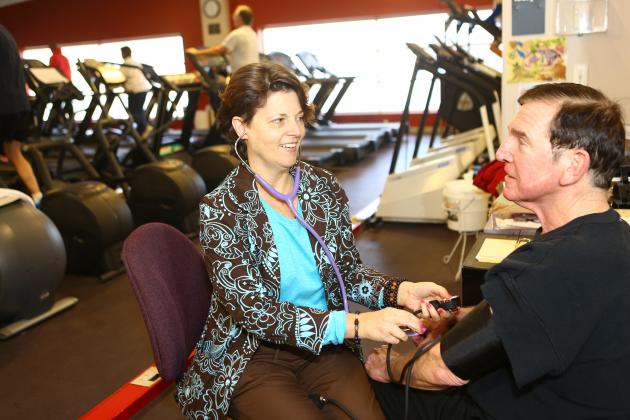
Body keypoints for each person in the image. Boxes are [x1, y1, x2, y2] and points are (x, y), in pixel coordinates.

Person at [175, 62, 453, 419]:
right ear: (242, 127)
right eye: (278, 120)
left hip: (324, 348)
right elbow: (254, 312)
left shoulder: (323, 188)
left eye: (298, 118)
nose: (295, 131)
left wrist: (401, 292)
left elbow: (348, 274)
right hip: (253, 355)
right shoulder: (221, 210)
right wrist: (357, 325)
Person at [366, 82, 630, 419]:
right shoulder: (613, 236)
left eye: (521, 140)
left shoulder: (552, 265)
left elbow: (440, 371)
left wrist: (391, 366)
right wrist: (461, 319)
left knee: (367, 385)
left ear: (573, 166)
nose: (502, 152)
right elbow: (545, 314)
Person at [0, 24, 42, 205]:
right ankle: (38, 197)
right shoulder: (5, 32)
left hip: (3, 107)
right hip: (20, 105)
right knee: (15, 155)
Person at [186, 4, 259, 73]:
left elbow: (218, 50)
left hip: (243, 75)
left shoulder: (237, 34)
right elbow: (238, 50)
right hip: (253, 73)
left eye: (234, 16)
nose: (233, 18)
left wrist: (196, 52)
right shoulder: (252, 33)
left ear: (239, 18)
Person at [120, 46, 151, 135]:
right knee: (139, 109)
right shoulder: (136, 63)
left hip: (135, 90)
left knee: (134, 111)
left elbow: (120, 78)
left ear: (123, 53)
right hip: (143, 89)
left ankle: (145, 127)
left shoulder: (125, 65)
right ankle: (142, 129)